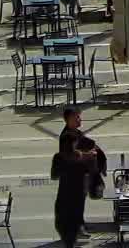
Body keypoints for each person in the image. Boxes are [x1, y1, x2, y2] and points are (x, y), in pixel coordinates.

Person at [55, 106, 107, 247]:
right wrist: (89, 155)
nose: (79, 119)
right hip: (71, 178)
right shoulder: (67, 136)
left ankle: (79, 225)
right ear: (68, 119)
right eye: (76, 117)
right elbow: (71, 155)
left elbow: (88, 143)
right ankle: (74, 230)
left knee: (79, 202)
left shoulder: (76, 132)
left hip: (80, 176)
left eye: (79, 116)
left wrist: (99, 157)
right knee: (72, 204)